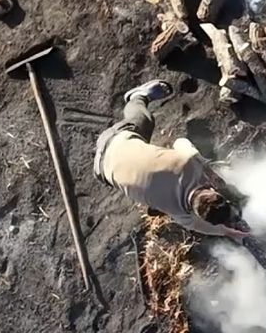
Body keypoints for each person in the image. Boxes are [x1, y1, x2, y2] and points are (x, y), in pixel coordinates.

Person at [94, 79, 250, 240]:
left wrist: (202, 164)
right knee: (142, 122)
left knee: (145, 120)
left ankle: (140, 98)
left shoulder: (189, 163)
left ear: (211, 190)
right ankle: (137, 97)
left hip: (116, 143)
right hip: (103, 170)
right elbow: (197, 226)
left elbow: (180, 142)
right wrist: (227, 231)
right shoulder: (179, 213)